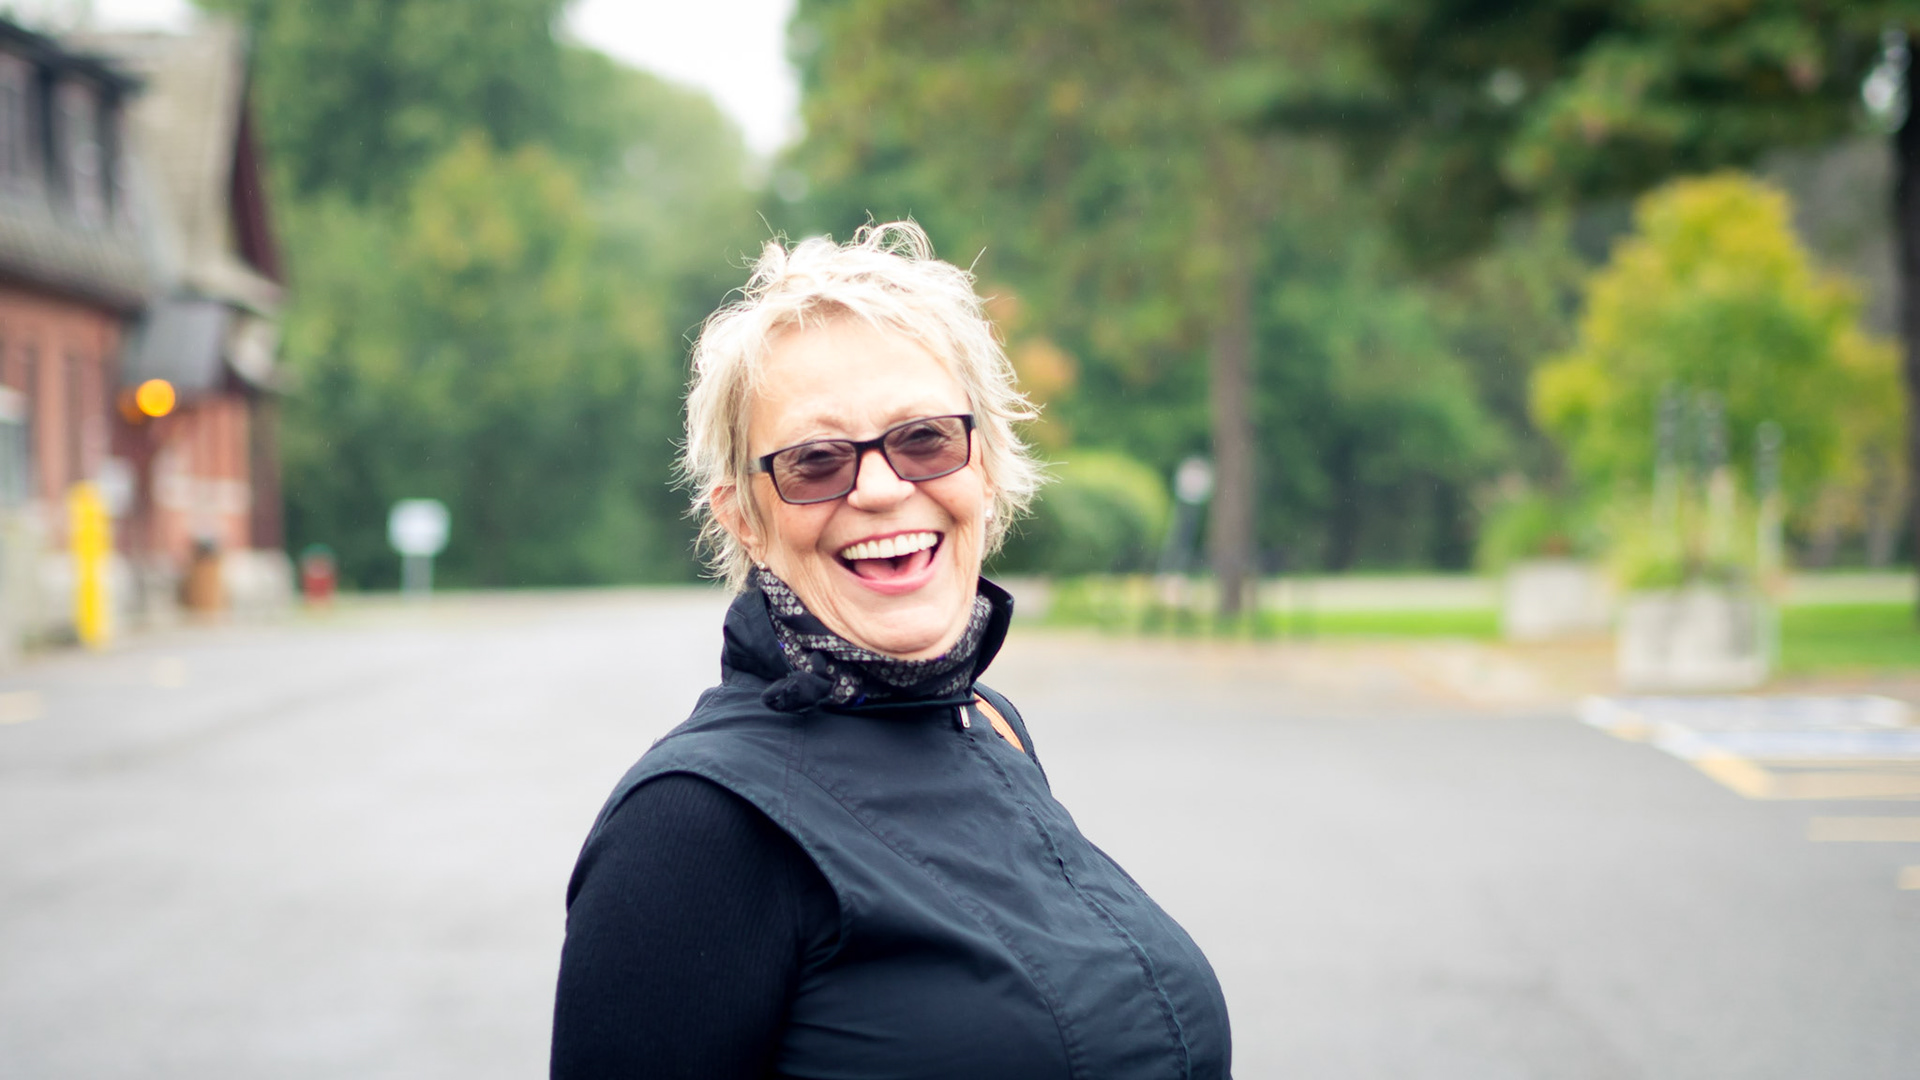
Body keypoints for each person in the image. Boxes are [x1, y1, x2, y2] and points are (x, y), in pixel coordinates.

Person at [550, 222, 1232, 1079]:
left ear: (984, 468)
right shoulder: (694, 827)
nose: (880, 487)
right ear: (744, 519)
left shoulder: (987, 725)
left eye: (924, 439)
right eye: (815, 460)